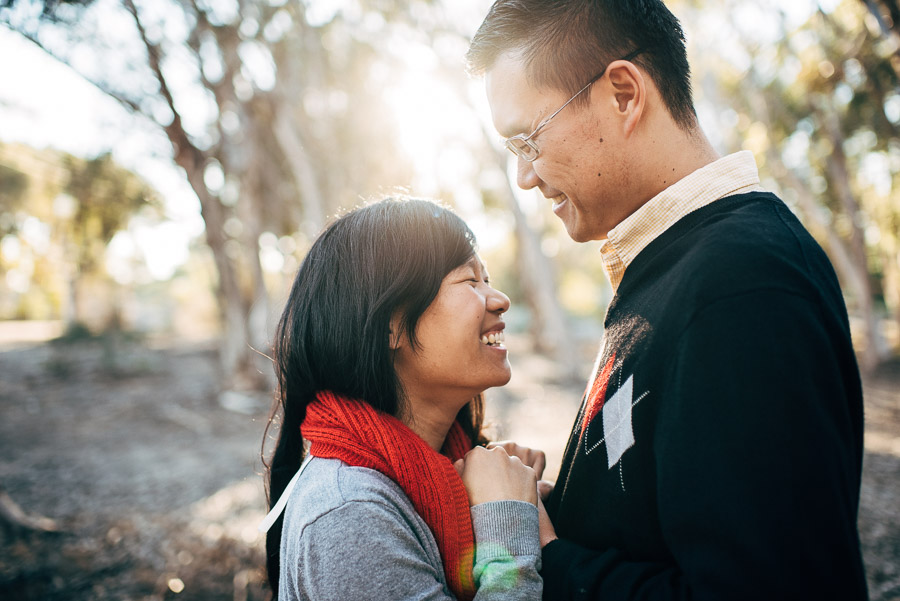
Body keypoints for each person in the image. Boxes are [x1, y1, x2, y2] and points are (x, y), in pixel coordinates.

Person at [464, 1, 869, 600]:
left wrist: (549, 556)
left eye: (529, 140)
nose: (525, 176)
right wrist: (550, 506)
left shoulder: (741, 285)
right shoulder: (672, 269)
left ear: (624, 94)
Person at [259, 197, 544, 600]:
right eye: (470, 281)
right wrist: (507, 521)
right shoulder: (349, 514)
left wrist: (515, 494)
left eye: (488, 279)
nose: (499, 299)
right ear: (389, 326)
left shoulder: (445, 467)